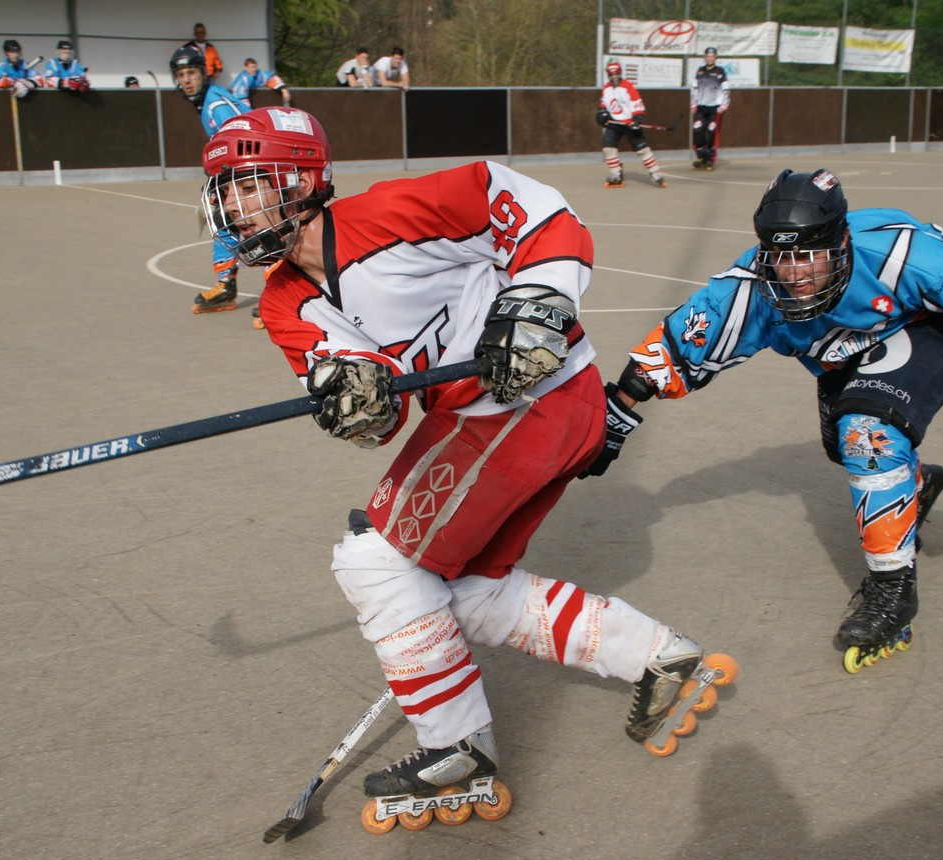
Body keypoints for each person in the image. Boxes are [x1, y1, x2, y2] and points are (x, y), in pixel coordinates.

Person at [198, 106, 735, 814]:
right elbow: (380, 415)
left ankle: (457, 745)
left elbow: (533, 208)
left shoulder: (389, 213)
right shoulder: (282, 305)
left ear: (299, 180)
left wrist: (538, 301)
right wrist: (357, 405)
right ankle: (655, 655)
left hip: (532, 399)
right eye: (224, 190)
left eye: (246, 184)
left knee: (375, 564)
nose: (231, 206)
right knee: (468, 593)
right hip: (488, 417)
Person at [583, 168, 943, 673]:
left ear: (840, 242)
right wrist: (615, 410)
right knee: (847, 448)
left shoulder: (902, 254)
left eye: (807, 255)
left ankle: (893, 593)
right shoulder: (753, 286)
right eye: (780, 257)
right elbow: (675, 345)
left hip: (921, 327)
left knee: (867, 435)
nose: (793, 273)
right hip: (846, 355)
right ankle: (914, 485)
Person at [171, 45, 249, 314]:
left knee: (262, 225)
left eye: (191, 73)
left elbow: (242, 137)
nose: (187, 80)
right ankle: (225, 287)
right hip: (239, 171)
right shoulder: (206, 102)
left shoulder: (215, 103)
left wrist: (226, 183)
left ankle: (284, 296)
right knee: (221, 218)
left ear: (203, 73)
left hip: (256, 169)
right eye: (181, 75)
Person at [596, 60, 665, 189]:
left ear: (620, 73)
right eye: (611, 74)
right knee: (608, 148)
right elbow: (603, 104)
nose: (614, 76)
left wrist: (637, 118)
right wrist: (601, 113)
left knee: (642, 150)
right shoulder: (606, 88)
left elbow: (636, 102)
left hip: (629, 122)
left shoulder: (628, 86)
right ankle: (616, 174)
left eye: (616, 73)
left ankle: (654, 172)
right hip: (614, 122)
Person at [688, 47, 730, 171]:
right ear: (705, 57)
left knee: (711, 131)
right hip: (701, 107)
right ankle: (701, 157)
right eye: (707, 56)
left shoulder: (720, 71)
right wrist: (693, 104)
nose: (710, 58)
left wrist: (724, 105)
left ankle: (710, 158)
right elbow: (694, 88)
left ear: (715, 57)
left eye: (712, 56)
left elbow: (726, 89)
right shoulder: (700, 71)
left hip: (714, 108)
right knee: (698, 131)